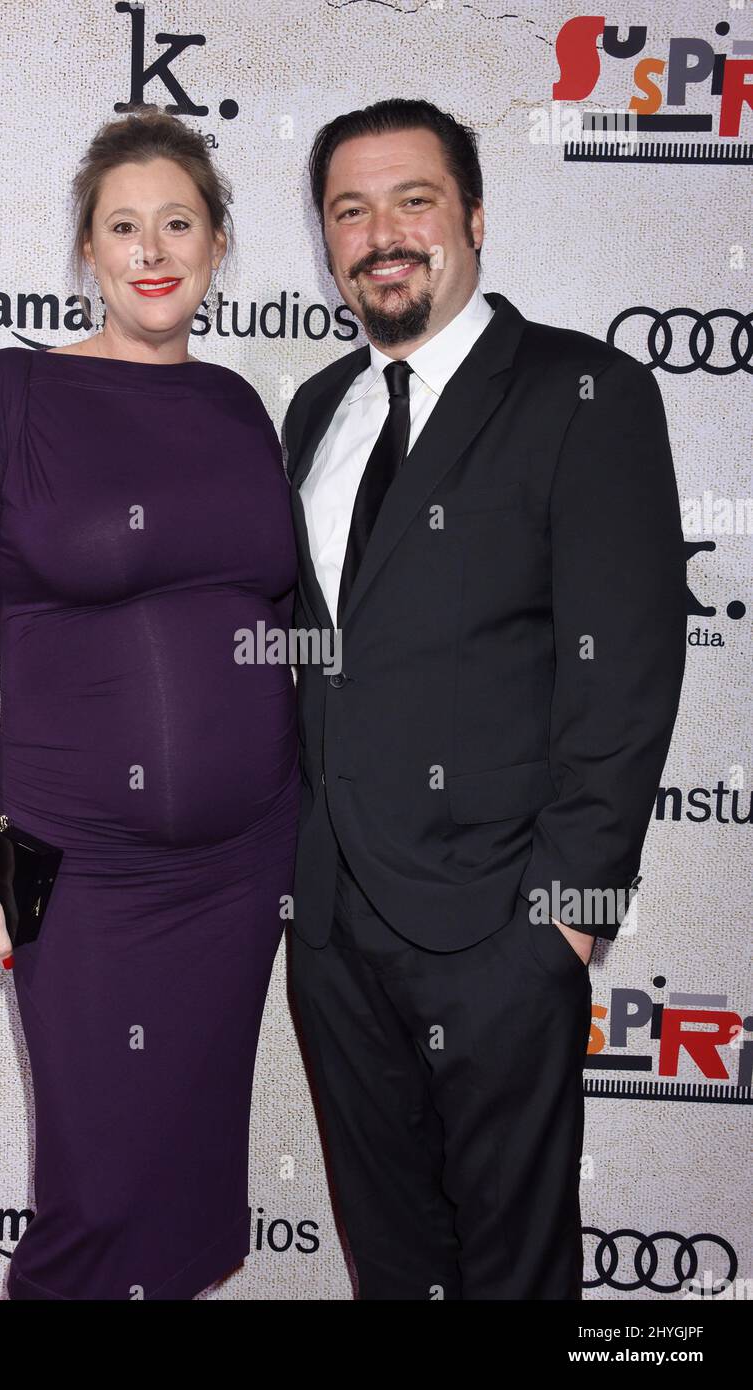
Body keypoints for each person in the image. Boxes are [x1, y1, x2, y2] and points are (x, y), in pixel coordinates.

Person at [283, 97, 686, 1300]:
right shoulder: (318, 409)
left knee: (514, 1274)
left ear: (473, 216)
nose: (382, 233)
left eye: (413, 200)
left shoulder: (584, 391)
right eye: (351, 211)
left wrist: (561, 923)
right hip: (337, 929)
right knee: (392, 1264)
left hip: (502, 930)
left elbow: (625, 672)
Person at [0, 108, 300, 1300]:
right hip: (85, 868)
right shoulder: (4, 396)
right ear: (86, 251)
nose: (152, 248)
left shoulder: (240, 408)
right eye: (122, 227)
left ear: (220, 243)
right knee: (96, 1195)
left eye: (178, 221)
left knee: (186, 1195)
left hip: (245, 865)